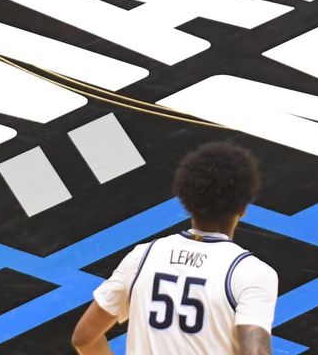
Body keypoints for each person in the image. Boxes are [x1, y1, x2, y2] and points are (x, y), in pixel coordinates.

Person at [72, 142, 278, 355]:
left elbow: (84, 337)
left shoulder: (143, 257)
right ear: (243, 209)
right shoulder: (252, 274)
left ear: (186, 201)